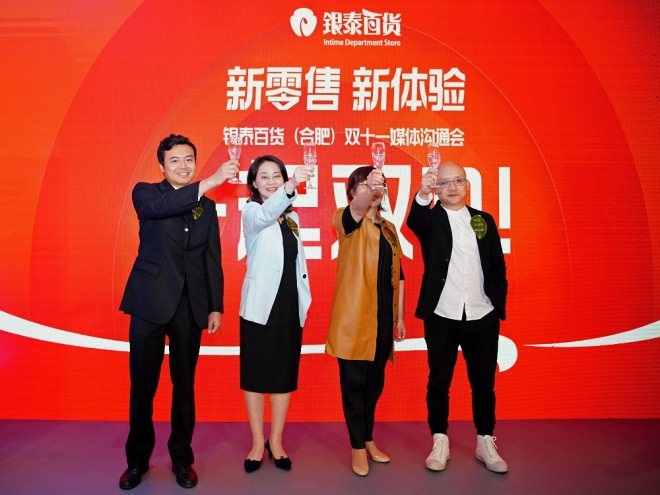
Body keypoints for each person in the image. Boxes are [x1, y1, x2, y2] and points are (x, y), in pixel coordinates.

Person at [118, 134, 239, 490]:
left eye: (189, 160)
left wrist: (215, 305)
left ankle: (182, 460)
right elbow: (161, 208)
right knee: (143, 386)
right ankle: (137, 461)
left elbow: (211, 259)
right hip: (149, 303)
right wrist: (210, 181)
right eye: (175, 160)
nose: (183, 166)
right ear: (162, 166)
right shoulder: (146, 193)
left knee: (184, 386)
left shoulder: (207, 207)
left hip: (190, 306)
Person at [406, 161, 509, 474]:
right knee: (439, 381)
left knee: (484, 382)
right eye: (445, 183)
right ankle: (440, 440)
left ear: (467, 185)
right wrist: (423, 194)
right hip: (443, 314)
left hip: (482, 313)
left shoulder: (482, 220)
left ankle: (485, 441)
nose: (452, 187)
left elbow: (497, 265)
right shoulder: (431, 220)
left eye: (458, 181)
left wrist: (496, 299)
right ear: (437, 189)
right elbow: (415, 219)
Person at [326, 166, 406, 477]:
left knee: (374, 385)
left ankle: (368, 439)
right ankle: (357, 447)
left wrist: (399, 318)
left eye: (377, 186)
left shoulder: (389, 228)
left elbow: (399, 276)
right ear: (351, 193)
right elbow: (357, 211)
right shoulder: (346, 220)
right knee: (354, 387)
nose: (373, 190)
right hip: (354, 319)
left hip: (383, 320)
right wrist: (368, 190)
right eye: (363, 185)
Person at [239, 155, 313, 473]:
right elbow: (267, 213)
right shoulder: (252, 212)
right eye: (264, 177)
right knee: (255, 376)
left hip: (288, 306)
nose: (271, 181)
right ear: (254, 183)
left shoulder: (292, 217)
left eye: (277, 176)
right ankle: (258, 442)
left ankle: (276, 440)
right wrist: (291, 185)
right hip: (259, 307)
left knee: (284, 375)